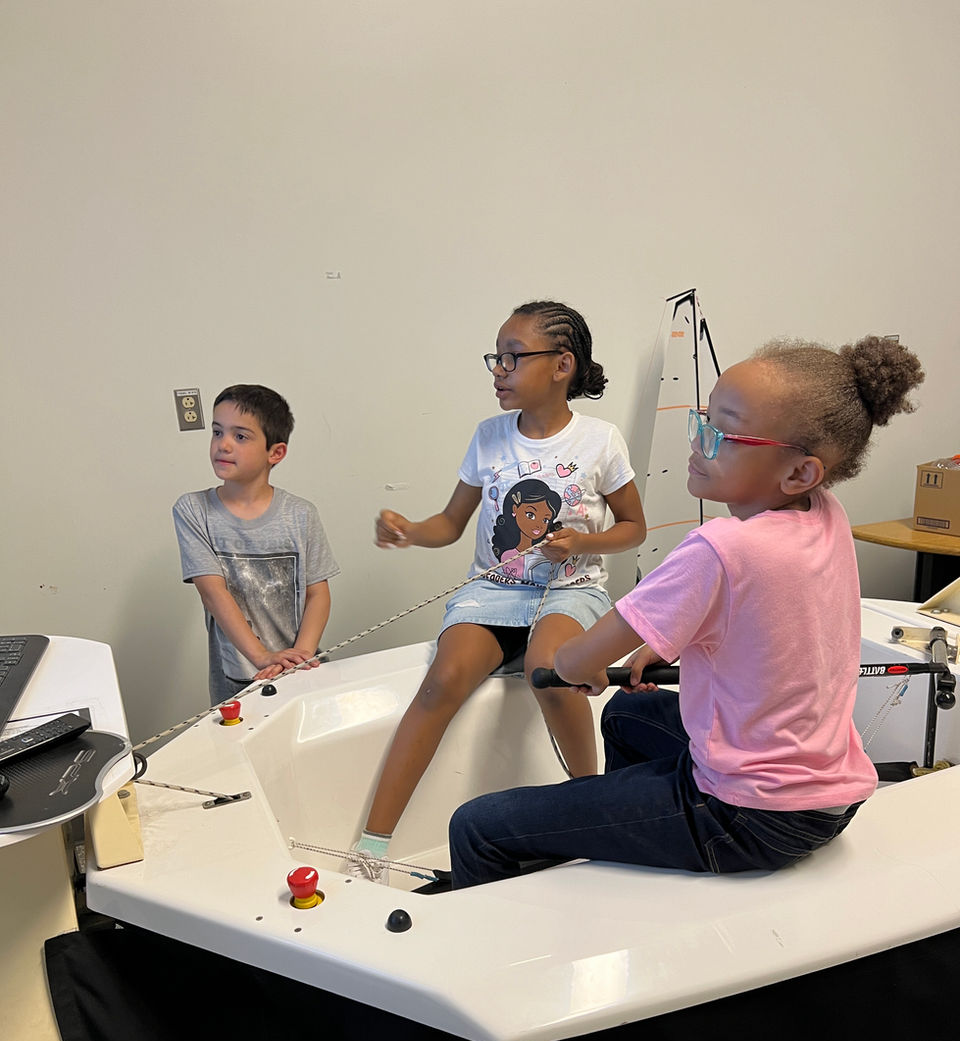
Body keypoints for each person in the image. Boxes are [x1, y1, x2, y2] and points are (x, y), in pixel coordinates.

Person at [448, 334, 925, 889]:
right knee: (626, 715)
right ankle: (616, 857)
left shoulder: (721, 548)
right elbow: (761, 620)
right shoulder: (824, 512)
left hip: (747, 816)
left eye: (721, 435)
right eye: (702, 422)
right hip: (827, 794)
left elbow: (577, 661)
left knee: (478, 826)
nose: (699, 444)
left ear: (799, 472)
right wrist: (665, 642)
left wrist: (570, 663)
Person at [353, 300, 647, 876]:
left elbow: (634, 528)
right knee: (443, 677)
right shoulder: (488, 437)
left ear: (562, 365)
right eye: (496, 358)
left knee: (552, 669)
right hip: (493, 591)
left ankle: (593, 810)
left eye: (512, 358)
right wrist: (412, 531)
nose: (498, 371)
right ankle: (372, 846)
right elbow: (450, 524)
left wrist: (581, 543)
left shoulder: (601, 441)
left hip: (570, 589)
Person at [174, 384, 339, 705]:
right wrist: (262, 656)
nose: (223, 445)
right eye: (217, 432)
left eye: (240, 436)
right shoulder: (193, 510)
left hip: (300, 670)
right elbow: (212, 591)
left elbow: (318, 592)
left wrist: (302, 655)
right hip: (238, 675)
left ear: (275, 453)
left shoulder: (301, 514)